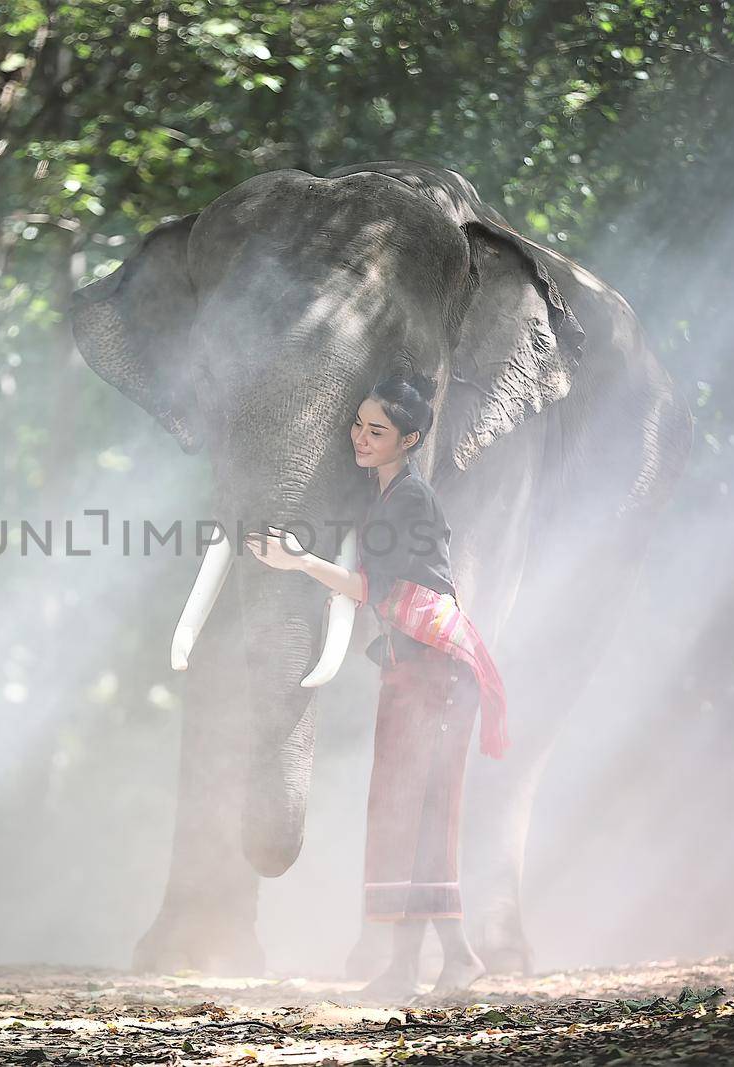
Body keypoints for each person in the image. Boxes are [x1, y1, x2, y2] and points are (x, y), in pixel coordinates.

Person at [245, 370, 508, 999]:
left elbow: (379, 591)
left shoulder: (411, 501)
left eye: (377, 430)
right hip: (410, 668)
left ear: (409, 440)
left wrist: (299, 563)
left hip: (435, 672)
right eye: (358, 425)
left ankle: (458, 958)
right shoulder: (386, 496)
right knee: (402, 813)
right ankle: (405, 965)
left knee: (422, 815)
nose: (361, 438)